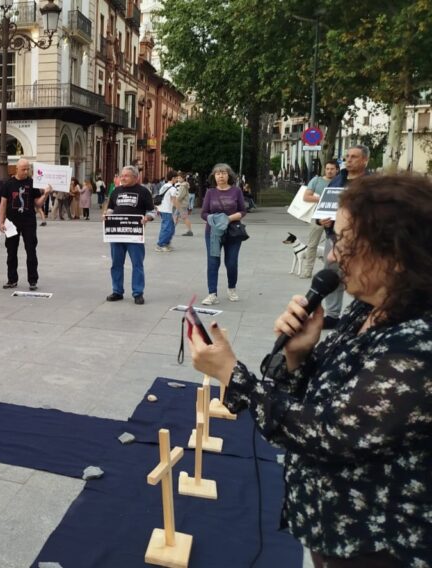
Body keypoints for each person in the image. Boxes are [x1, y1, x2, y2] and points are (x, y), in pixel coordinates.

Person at [188, 174, 432, 568]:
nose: (333, 256)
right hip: (331, 531)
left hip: (377, 547)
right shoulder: (370, 308)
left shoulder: (420, 345)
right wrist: (298, 356)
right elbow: (322, 391)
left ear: (397, 254)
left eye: (347, 241)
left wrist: (234, 375)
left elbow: (330, 433)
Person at [321, 145, 370, 330]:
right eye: (347, 156)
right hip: (334, 237)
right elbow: (324, 207)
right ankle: (332, 315)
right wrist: (321, 221)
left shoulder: (371, 184)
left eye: (354, 157)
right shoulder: (336, 180)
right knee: (332, 274)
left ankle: (363, 314)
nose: (348, 160)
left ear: (364, 160)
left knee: (362, 275)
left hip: (361, 239)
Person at [105, 165, 155, 304]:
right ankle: (117, 291)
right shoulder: (116, 191)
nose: (122, 178)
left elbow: (152, 211)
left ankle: (138, 293)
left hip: (135, 235)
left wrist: (147, 218)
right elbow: (110, 208)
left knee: (137, 264)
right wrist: (107, 216)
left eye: (126, 176)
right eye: (121, 175)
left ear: (135, 177)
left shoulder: (144, 192)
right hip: (117, 234)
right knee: (116, 264)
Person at [200, 163, 247, 305]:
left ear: (229, 175)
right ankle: (212, 293)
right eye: (218, 173)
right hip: (213, 233)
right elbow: (203, 213)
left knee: (231, 262)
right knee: (213, 262)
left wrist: (228, 219)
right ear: (214, 176)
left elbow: (243, 211)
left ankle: (232, 288)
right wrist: (216, 220)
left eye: (224, 173)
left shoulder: (236, 191)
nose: (221, 176)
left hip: (233, 232)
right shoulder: (210, 192)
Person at [0, 158, 47, 291]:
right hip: (11, 222)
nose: (26, 171)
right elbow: (3, 204)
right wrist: (0, 222)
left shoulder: (33, 183)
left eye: (27, 169)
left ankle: (33, 280)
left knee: (31, 250)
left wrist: (46, 194)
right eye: (23, 169)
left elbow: (38, 204)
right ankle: (12, 279)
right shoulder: (8, 184)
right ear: (17, 169)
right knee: (11, 252)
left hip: (29, 222)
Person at [300, 160, 338, 279]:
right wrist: (323, 198)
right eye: (327, 168)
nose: (329, 171)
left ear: (337, 170)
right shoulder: (316, 180)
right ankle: (308, 270)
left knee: (333, 245)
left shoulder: (340, 182)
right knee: (312, 244)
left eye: (332, 169)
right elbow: (306, 196)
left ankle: (330, 271)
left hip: (335, 219)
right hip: (317, 217)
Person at [154, 171, 180, 252]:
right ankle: (161, 245)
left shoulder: (164, 186)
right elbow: (174, 200)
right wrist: (180, 209)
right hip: (167, 210)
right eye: (176, 178)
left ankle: (166, 243)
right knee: (167, 228)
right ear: (173, 178)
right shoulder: (172, 188)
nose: (177, 180)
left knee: (170, 227)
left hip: (162, 209)